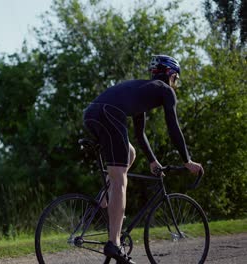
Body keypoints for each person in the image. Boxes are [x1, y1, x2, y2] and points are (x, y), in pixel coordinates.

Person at [82, 55, 204, 264]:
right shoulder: (165, 91)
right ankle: (115, 244)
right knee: (121, 179)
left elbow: (140, 134)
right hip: (109, 113)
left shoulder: (142, 92)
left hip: (92, 113)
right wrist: (187, 160)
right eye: (175, 78)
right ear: (171, 75)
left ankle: (104, 197)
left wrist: (152, 161)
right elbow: (173, 128)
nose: (174, 83)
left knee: (130, 154)